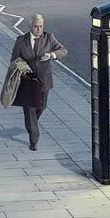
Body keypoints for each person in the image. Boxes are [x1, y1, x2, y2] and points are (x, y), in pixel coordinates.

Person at [11, 14, 67, 151]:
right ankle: (34, 140)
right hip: (28, 81)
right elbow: (14, 59)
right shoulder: (21, 41)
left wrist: (52, 55)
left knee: (41, 107)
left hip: (43, 80)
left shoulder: (49, 38)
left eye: (41, 26)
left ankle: (31, 124)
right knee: (30, 109)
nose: (38, 29)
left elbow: (63, 50)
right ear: (30, 26)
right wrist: (24, 67)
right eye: (36, 26)